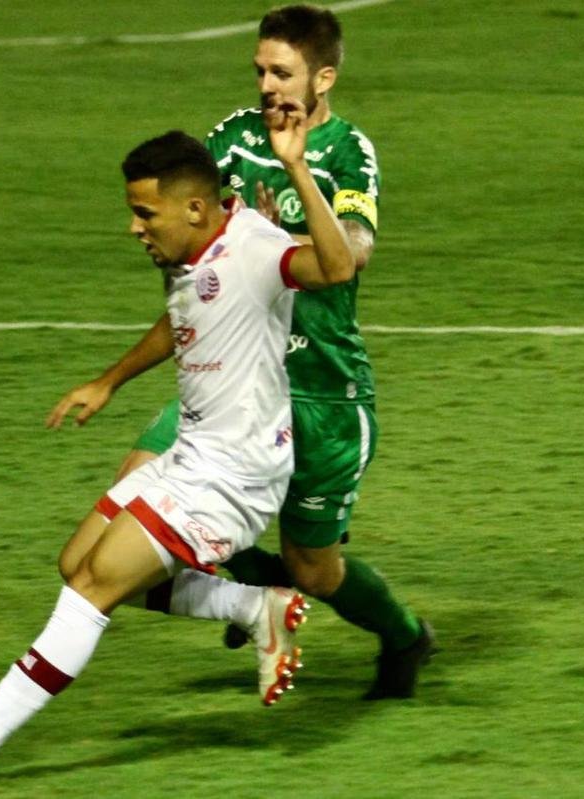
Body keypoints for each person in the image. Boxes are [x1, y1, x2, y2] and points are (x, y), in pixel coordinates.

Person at [0, 122, 356, 785]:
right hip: (196, 455)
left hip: (234, 475)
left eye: (143, 212)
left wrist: (299, 169)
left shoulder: (254, 248)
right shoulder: (196, 247)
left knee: (95, 585)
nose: (134, 228)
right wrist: (109, 379)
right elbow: (186, 318)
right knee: (76, 562)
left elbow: (337, 266)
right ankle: (251, 606)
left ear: (193, 207)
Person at [99, 4, 434, 701]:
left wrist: (297, 174)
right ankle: (256, 590)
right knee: (132, 496)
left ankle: (404, 635)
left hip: (321, 390)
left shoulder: (346, 152)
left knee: (314, 568)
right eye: (260, 70)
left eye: (283, 72)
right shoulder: (233, 141)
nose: (268, 85)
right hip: (230, 379)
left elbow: (352, 253)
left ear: (323, 78)